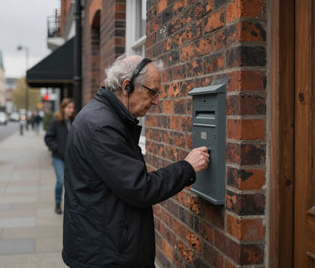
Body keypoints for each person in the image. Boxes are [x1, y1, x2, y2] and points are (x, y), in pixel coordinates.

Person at [62, 55, 210, 268]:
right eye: (153, 92)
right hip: (106, 256)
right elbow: (140, 188)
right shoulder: (104, 127)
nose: (157, 101)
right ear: (127, 86)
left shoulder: (101, 116)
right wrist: (187, 167)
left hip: (101, 246)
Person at [44, 98, 76, 214]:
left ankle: (71, 205)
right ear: (63, 108)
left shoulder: (75, 121)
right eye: (69, 108)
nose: (71, 110)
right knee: (61, 181)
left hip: (72, 158)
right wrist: (57, 148)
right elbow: (48, 138)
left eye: (73, 108)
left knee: (72, 183)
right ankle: (58, 203)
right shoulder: (55, 122)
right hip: (58, 157)